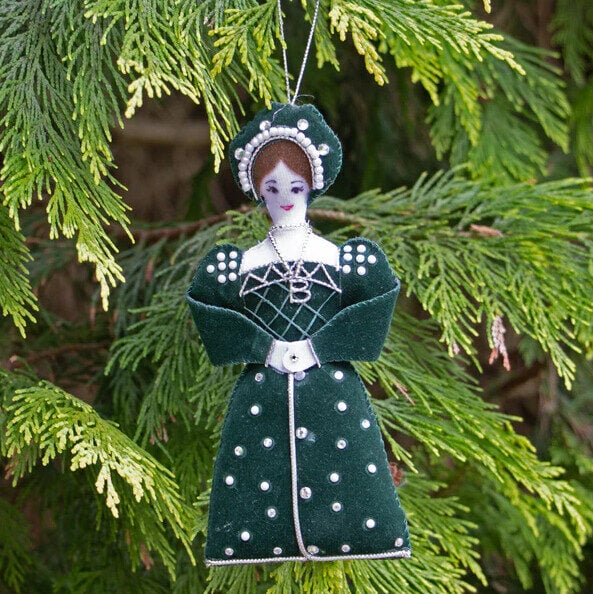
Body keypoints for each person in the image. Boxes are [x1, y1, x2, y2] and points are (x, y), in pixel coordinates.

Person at [186, 103, 410, 565]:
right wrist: (262, 347)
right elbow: (209, 312)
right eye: (272, 188)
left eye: (295, 186)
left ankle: (357, 533)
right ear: (257, 191)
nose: (284, 197)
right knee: (257, 470)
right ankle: (256, 537)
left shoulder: (343, 260)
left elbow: (377, 305)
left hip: (333, 390)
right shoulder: (239, 266)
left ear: (311, 184)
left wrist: (320, 347)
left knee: (345, 462)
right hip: (261, 391)